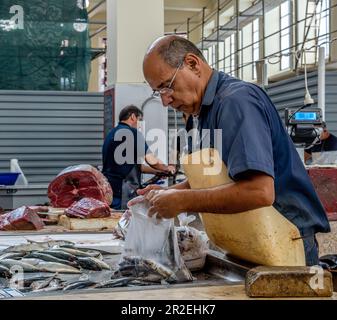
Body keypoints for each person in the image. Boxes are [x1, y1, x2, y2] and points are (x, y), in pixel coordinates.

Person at [132, 35, 330, 266]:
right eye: (158, 92)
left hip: (286, 244)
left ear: (193, 64)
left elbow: (259, 191)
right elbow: (218, 177)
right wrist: (163, 195)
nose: (166, 101)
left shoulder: (236, 101)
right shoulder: (205, 113)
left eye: (167, 86)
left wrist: (182, 200)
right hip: (253, 242)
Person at [102, 105, 175, 210]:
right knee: (126, 221)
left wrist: (158, 172)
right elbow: (152, 160)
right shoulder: (134, 133)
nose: (139, 124)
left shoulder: (111, 134)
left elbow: (137, 167)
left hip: (109, 189)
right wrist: (167, 168)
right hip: (125, 192)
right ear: (133, 117)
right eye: (139, 120)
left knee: (114, 220)